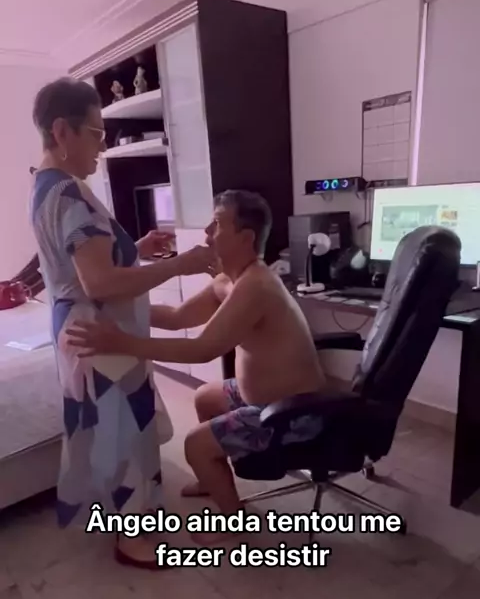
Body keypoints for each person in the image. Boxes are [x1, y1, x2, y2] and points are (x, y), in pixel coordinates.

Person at [66, 189, 327, 543]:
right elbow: (177, 317)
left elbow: (201, 350)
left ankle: (235, 522)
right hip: (262, 394)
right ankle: (211, 479)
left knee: (196, 445)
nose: (207, 231)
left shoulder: (257, 287)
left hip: (293, 410)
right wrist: (120, 313)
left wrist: (122, 342)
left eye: (217, 224)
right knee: (205, 397)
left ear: (246, 237)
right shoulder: (228, 280)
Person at [30, 77, 214, 568]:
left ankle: (125, 520)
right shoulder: (70, 194)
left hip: (81, 330)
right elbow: (101, 282)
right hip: (100, 336)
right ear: (63, 131)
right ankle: (133, 540)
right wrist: (181, 264)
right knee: (122, 434)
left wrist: (135, 247)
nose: (102, 146)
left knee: (109, 430)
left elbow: (84, 260)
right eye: (96, 133)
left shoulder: (46, 186)